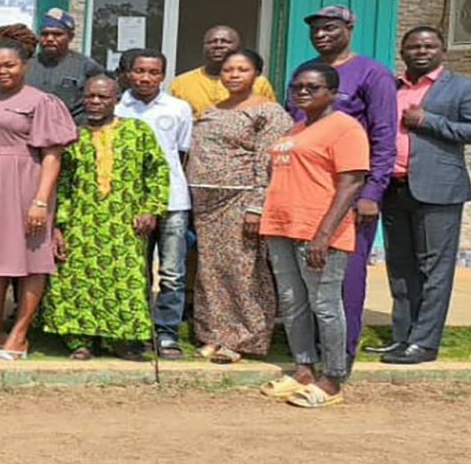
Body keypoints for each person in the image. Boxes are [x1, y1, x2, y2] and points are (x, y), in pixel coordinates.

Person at [372, 27, 471, 365]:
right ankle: (402, 338)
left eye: (429, 45)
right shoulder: (392, 88)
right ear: (403, 51)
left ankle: (425, 343)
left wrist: (429, 120)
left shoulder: (463, 87)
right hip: (394, 189)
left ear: (443, 51)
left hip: (438, 191)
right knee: (400, 267)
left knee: (433, 269)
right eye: (414, 46)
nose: (421, 51)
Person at [259, 63, 369, 408]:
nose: (302, 92)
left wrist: (324, 235)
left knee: (325, 304)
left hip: (318, 231)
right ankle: (303, 368)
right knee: (292, 302)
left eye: (312, 87)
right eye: (297, 87)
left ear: (333, 93)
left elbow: (352, 183)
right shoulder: (298, 128)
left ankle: (333, 378)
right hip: (281, 226)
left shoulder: (345, 128)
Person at [0, 40, 78, 360]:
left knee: (31, 261)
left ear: (24, 65)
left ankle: (20, 334)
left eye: (10, 65)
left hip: (26, 183)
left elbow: (53, 155)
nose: (3, 71)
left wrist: (41, 201)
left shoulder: (42, 102)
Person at [296, 6, 397, 364]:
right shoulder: (308, 73)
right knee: (311, 272)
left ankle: (341, 356)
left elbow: (385, 137)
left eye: (330, 28)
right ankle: (313, 352)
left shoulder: (373, 74)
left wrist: (372, 193)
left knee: (347, 276)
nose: (321, 34)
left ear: (350, 28)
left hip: (350, 192)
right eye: (316, 30)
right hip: (308, 193)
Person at [43, 75, 169, 360]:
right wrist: (59, 226)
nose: (96, 102)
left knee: (125, 279)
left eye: (103, 97)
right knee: (75, 280)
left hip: (125, 222)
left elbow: (158, 172)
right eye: (90, 96)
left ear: (116, 99)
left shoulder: (138, 131)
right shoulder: (73, 136)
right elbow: (62, 183)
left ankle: (121, 341)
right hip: (82, 223)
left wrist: (152, 208)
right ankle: (81, 341)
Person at [187, 49, 293, 363]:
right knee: (210, 271)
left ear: (256, 75)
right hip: (207, 204)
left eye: (242, 69)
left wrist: (257, 205)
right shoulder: (214, 108)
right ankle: (213, 334)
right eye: (228, 70)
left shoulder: (269, 112)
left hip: (241, 199)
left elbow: (268, 162)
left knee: (244, 270)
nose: (233, 75)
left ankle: (244, 338)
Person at [114, 49, 193, 359]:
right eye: (140, 71)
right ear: (128, 74)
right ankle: (138, 330)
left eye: (153, 72)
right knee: (137, 269)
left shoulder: (178, 108)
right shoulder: (119, 109)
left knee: (172, 272)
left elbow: (183, 154)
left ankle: (167, 333)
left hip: (173, 201)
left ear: (163, 75)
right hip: (131, 203)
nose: (145, 78)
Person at [169, 25, 278, 118]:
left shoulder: (258, 82)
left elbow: (271, 118)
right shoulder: (182, 83)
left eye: (225, 41)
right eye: (212, 42)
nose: (218, 45)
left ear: (238, 47)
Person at [26, 8, 105, 125]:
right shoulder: (25, 65)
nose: (49, 39)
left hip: (72, 132)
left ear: (71, 37)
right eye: (44, 34)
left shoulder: (87, 66)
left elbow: (104, 100)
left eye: (57, 34)